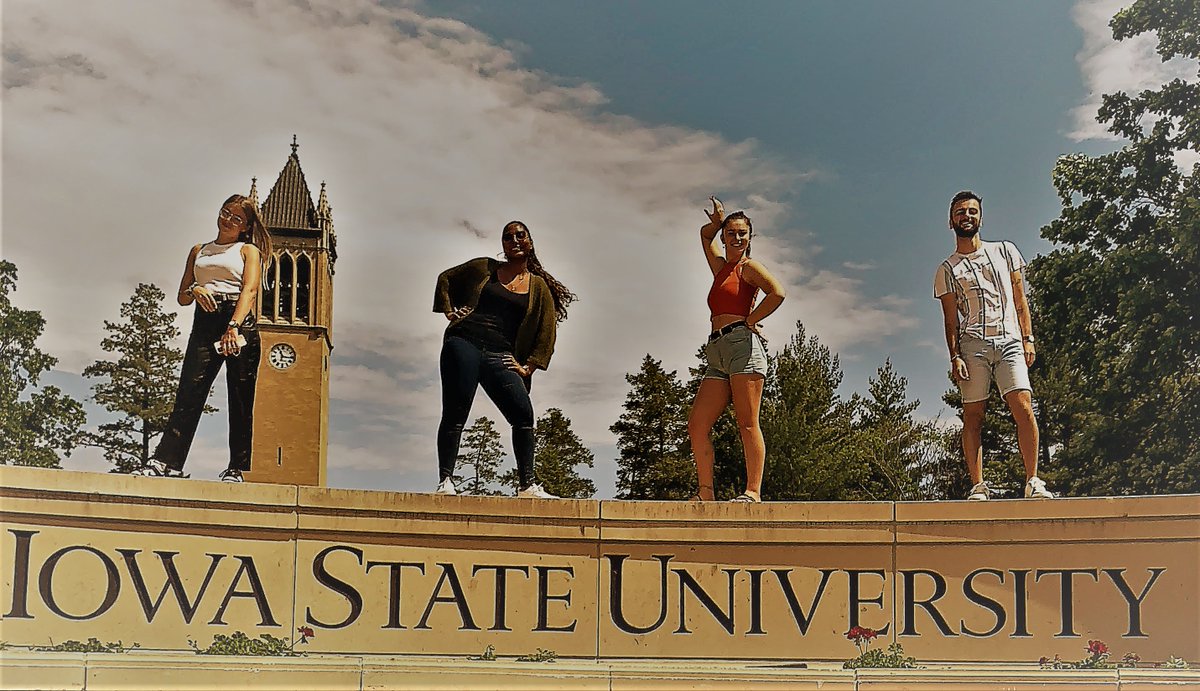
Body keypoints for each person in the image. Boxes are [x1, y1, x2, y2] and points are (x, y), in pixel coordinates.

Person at [433, 221, 576, 498]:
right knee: (455, 413)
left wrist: (529, 366)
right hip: (464, 342)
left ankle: (526, 485)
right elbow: (446, 278)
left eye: (520, 235)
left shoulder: (539, 288)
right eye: (508, 237)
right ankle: (446, 481)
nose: (514, 240)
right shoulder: (484, 269)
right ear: (503, 245)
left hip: (501, 355)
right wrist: (450, 312)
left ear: (530, 242)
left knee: (523, 415)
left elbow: (547, 332)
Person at [137, 194, 272, 482]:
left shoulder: (248, 251)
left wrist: (233, 327)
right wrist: (196, 289)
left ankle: (236, 467)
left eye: (237, 218)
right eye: (226, 212)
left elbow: (250, 290)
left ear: (245, 227)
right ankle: (166, 462)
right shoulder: (199, 250)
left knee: (240, 396)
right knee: (189, 392)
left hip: (238, 322)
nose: (228, 220)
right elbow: (182, 297)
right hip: (205, 322)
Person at [933, 190, 1055, 500]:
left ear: (980, 217)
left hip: (1010, 340)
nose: (967, 216)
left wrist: (1028, 338)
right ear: (951, 221)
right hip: (973, 344)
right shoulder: (947, 269)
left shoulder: (1005, 251)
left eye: (972, 211)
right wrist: (954, 355)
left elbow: (1020, 298)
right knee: (973, 414)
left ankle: (1033, 481)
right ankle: (978, 485)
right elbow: (950, 319)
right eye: (961, 212)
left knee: (1023, 405)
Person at [688, 198, 786, 502]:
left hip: (743, 347)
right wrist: (715, 222)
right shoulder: (720, 267)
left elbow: (777, 293)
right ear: (725, 237)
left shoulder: (749, 268)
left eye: (742, 233)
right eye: (731, 232)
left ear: (750, 238)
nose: (737, 238)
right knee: (698, 423)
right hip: (717, 350)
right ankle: (706, 493)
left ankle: (752, 492)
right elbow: (705, 237)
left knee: (747, 422)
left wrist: (752, 319)